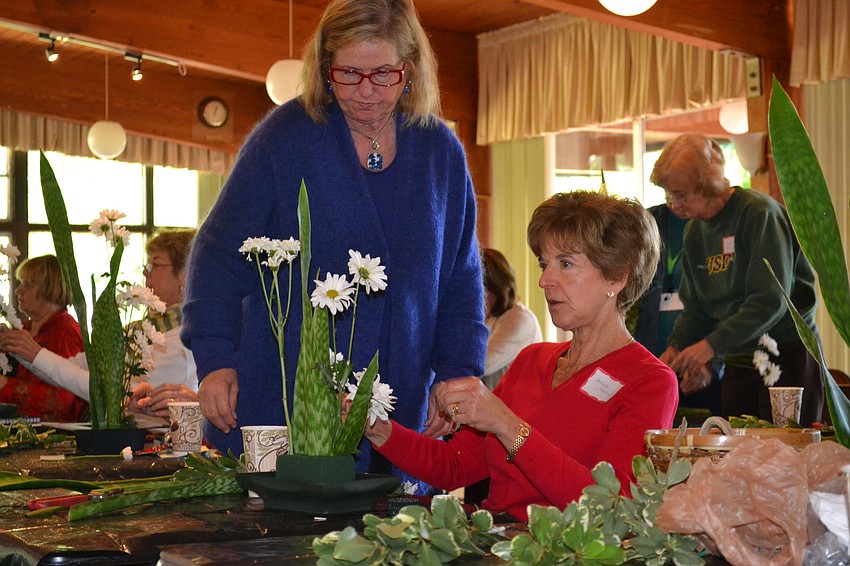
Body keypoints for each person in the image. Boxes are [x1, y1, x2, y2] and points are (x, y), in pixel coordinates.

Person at [180, 0, 487, 479]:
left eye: (383, 74)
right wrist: (214, 359)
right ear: (325, 68)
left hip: (401, 411)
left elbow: (460, 282)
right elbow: (218, 256)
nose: (365, 91)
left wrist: (456, 372)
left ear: (410, 69)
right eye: (348, 73)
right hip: (284, 402)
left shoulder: (440, 151)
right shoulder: (284, 138)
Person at [363, 191, 679, 520]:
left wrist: (505, 423)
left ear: (617, 276)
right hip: (496, 538)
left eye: (566, 264)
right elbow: (455, 465)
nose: (545, 280)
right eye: (545, 264)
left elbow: (611, 507)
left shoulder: (650, 381)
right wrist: (376, 427)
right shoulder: (532, 361)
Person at [653, 133, 823, 425]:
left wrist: (709, 346)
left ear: (707, 183)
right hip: (738, 356)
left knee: (787, 447)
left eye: (680, 194)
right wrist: (677, 347)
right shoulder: (695, 231)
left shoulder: (758, 214)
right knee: (736, 445)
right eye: (669, 195)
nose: (673, 205)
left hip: (786, 351)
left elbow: (769, 300)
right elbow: (696, 308)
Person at [0, 230, 198, 419]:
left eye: (155, 264)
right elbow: (75, 366)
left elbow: (112, 392)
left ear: (185, 274)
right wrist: (21, 350)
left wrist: (34, 353)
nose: (146, 273)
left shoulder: (182, 338)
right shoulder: (141, 328)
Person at [632, 203, 721, 415]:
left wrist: (715, 364)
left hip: (709, 361)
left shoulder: (715, 222)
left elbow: (729, 302)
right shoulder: (648, 220)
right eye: (668, 191)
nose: (674, 200)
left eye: (681, 193)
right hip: (653, 354)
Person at [0, 255, 86, 421]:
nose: (18, 290)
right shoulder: (24, 328)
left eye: (28, 284)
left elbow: (63, 403)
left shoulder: (65, 333)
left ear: (51, 289)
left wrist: (6, 386)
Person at [481, 248, 542, 390]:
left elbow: (481, 364)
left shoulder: (519, 319)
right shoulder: (490, 318)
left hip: (515, 404)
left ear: (498, 287)